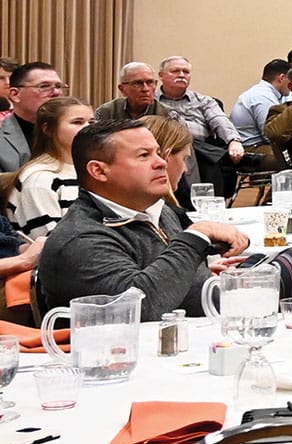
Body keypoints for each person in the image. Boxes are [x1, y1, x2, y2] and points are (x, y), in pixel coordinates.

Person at [35, 119, 250, 319]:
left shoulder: (156, 211)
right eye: (144, 156)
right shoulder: (80, 239)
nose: (161, 163)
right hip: (124, 346)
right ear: (98, 170)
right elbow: (141, 308)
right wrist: (197, 236)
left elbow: (175, 286)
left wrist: (205, 275)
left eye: (158, 153)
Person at [0, 97, 93, 238]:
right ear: (48, 129)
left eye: (91, 122)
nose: (88, 128)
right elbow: (52, 241)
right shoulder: (39, 178)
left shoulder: (91, 169)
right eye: (77, 122)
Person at [1, 62, 67, 173]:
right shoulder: (2, 136)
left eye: (58, 86)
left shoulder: (71, 132)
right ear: (15, 94)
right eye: (44, 86)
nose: (56, 92)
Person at [94, 61, 165, 121]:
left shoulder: (166, 114)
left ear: (156, 84)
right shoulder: (107, 112)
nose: (145, 89)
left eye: (150, 82)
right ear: (122, 89)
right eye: (138, 83)